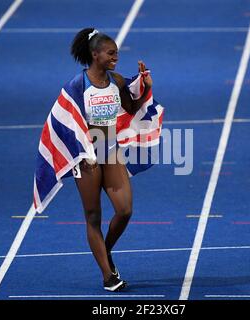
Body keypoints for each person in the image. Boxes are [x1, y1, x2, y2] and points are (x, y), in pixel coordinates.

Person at [70, 28, 153, 292]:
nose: (116, 57)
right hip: (86, 157)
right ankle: (108, 276)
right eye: (111, 53)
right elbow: (67, 123)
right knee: (93, 216)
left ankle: (104, 252)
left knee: (125, 210)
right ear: (95, 55)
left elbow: (132, 109)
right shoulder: (77, 85)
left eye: (116, 53)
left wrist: (145, 87)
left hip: (111, 151)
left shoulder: (116, 81)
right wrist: (85, 153)